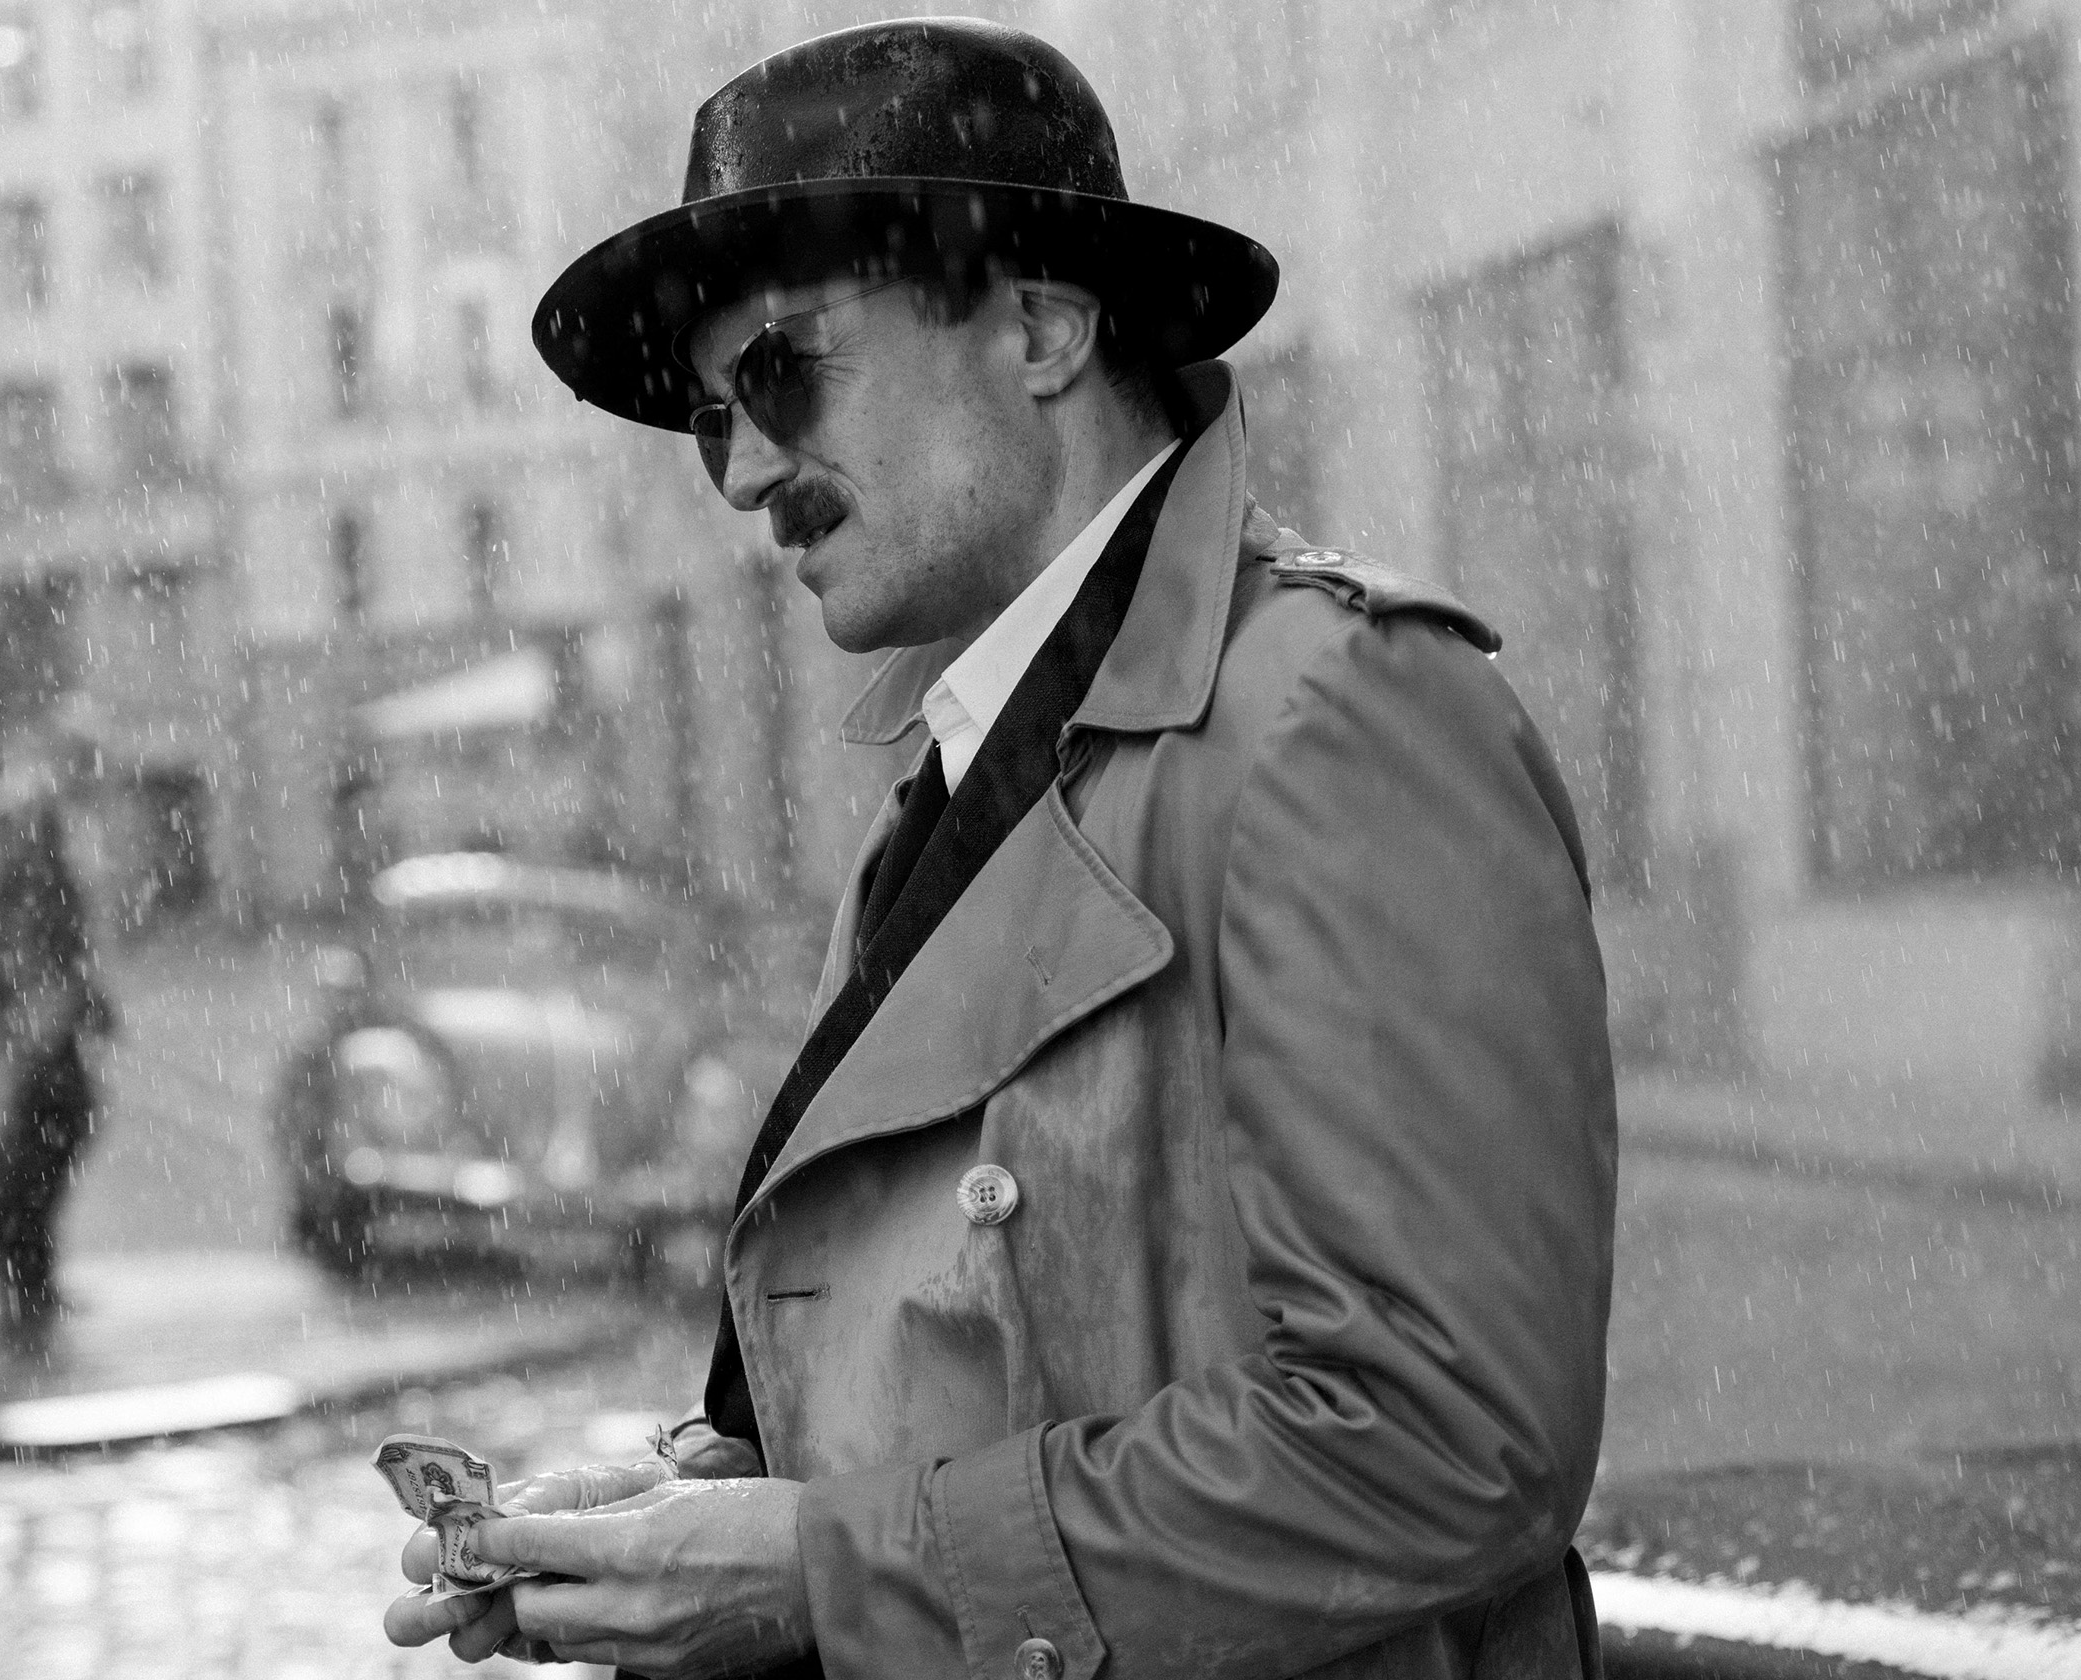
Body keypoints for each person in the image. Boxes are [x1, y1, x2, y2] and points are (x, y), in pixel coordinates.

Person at [385, 18, 1618, 1680]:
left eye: (782, 374)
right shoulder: (961, 765)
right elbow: (998, 1369)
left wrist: (820, 1571)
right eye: (707, 418)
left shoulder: (1336, 716)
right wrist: (709, 1508)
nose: (743, 473)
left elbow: (1444, 1446)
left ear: (1041, 326)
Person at [0, 699, 116, 1344]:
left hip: (40, 1003)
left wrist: (84, 992)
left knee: (49, 1128)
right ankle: (11, 1259)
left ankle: (23, 1264)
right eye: (88, 757)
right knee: (48, 1127)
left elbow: (57, 914)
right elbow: (16, 908)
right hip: (28, 1005)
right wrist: (5, 991)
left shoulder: (43, 809)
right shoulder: (26, 809)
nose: (95, 770)